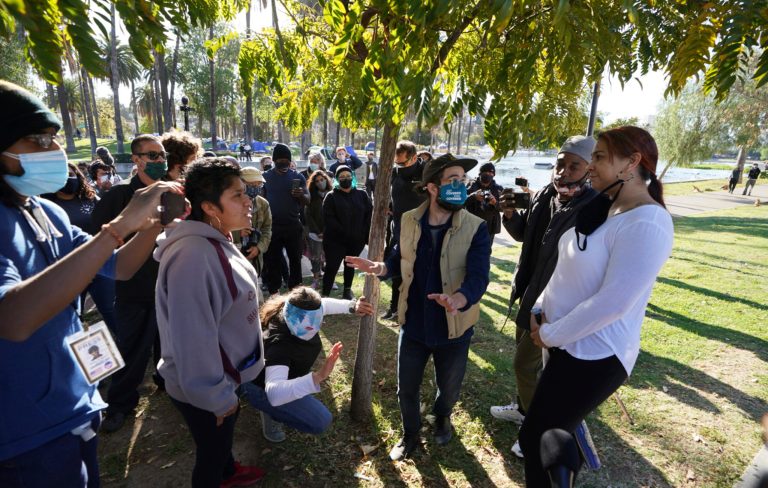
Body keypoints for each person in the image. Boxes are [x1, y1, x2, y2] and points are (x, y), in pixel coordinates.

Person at [0, 80, 177, 487]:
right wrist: (119, 226)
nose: (55, 151)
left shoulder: (45, 211)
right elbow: (13, 318)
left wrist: (150, 227)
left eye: (54, 138)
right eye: (38, 139)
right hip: (23, 432)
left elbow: (118, 266)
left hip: (72, 406)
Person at [517, 126, 673, 485]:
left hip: (594, 354)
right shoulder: (605, 209)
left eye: (599, 157)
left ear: (631, 163)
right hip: (562, 341)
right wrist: (540, 310)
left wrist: (551, 334)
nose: (590, 166)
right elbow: (566, 269)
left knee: (538, 434)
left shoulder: (648, 221)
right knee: (545, 432)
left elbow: (614, 302)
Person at [346, 153, 492, 461]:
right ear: (432, 187)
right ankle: (410, 435)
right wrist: (380, 267)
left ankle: (442, 416)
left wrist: (459, 299)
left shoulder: (476, 227)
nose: (460, 186)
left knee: (449, 388)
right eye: (453, 180)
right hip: (413, 323)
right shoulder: (409, 219)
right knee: (406, 389)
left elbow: (479, 277)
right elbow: (400, 258)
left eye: (462, 181)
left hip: (454, 326)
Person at [154, 158, 266, 488]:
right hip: (206, 387)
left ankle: (229, 472)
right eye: (237, 195)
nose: (249, 201)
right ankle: (219, 474)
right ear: (208, 206)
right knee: (210, 455)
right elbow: (193, 338)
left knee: (220, 445)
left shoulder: (215, 239)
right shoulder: (193, 256)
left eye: (246, 193)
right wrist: (216, 398)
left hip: (226, 377)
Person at [488, 135, 597, 458]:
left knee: (525, 364)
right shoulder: (546, 194)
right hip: (528, 293)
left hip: (557, 303)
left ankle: (535, 429)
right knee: (530, 366)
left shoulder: (592, 207)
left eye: (573, 165)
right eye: (560, 163)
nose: (563, 171)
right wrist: (508, 215)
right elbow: (525, 237)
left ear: (590, 169)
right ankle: (524, 409)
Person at [91, 134, 176, 433]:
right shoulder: (118, 197)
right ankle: (120, 404)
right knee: (132, 350)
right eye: (152, 156)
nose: (159, 161)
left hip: (169, 287)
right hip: (134, 290)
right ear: (136, 159)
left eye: (162, 155)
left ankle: (167, 383)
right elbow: (97, 242)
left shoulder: (173, 194)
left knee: (169, 344)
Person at [241, 287, 373, 442]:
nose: (313, 325)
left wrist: (352, 307)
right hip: (259, 384)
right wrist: (319, 376)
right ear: (293, 316)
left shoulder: (295, 311)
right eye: (308, 324)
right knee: (320, 420)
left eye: (317, 319)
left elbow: (324, 304)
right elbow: (274, 393)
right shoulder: (280, 343)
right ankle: (271, 413)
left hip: (280, 374)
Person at [41, 162, 117, 333]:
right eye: (62, 175)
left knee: (110, 308)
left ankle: (128, 346)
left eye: (71, 174)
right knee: (74, 314)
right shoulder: (46, 207)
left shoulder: (91, 198)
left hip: (99, 264)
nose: (68, 179)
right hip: (69, 268)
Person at [380, 140, 427, 321]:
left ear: (414, 157)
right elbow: (391, 195)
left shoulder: (427, 173)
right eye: (396, 163)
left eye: (402, 163)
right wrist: (388, 206)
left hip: (421, 231)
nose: (399, 167)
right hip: (397, 230)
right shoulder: (393, 173)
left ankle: (413, 309)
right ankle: (394, 307)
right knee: (397, 270)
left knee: (416, 273)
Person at [262, 143, 309, 295]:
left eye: (286, 160)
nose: (284, 162)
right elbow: (261, 200)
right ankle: (274, 292)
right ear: (274, 160)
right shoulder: (265, 177)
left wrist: (301, 194)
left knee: (295, 260)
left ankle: (295, 292)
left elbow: (308, 199)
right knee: (272, 261)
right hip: (272, 226)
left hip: (293, 226)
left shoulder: (297, 176)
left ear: (290, 161)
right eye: (280, 160)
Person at [321, 165, 372, 299]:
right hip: (335, 241)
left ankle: (347, 290)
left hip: (356, 240)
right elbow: (329, 218)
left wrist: (364, 235)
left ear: (353, 177)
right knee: (332, 267)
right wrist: (344, 232)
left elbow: (368, 215)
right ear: (337, 179)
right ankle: (325, 295)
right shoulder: (331, 196)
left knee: (350, 265)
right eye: (342, 177)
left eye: (348, 176)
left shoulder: (362, 194)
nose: (346, 179)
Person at [232, 167, 272, 281]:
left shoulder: (263, 204)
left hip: (254, 258)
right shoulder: (230, 202)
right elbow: (219, 227)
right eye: (252, 184)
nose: (255, 187)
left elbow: (267, 229)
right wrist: (237, 233)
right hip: (233, 253)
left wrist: (259, 248)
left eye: (258, 184)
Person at [305, 169, 332, 289]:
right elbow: (308, 216)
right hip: (314, 234)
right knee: (315, 257)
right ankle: (316, 279)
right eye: (317, 181)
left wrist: (326, 231)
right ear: (313, 183)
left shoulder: (332, 194)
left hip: (330, 233)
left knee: (330, 257)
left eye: (322, 179)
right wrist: (318, 231)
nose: (320, 182)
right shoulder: (311, 197)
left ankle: (329, 278)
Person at [465, 162, 503, 238]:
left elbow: (503, 208)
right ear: (480, 173)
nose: (488, 174)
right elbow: (461, 203)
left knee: (487, 249)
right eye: (485, 172)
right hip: (472, 225)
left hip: (490, 227)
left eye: (491, 172)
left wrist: (495, 203)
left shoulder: (498, 189)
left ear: (494, 174)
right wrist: (473, 196)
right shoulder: (471, 186)